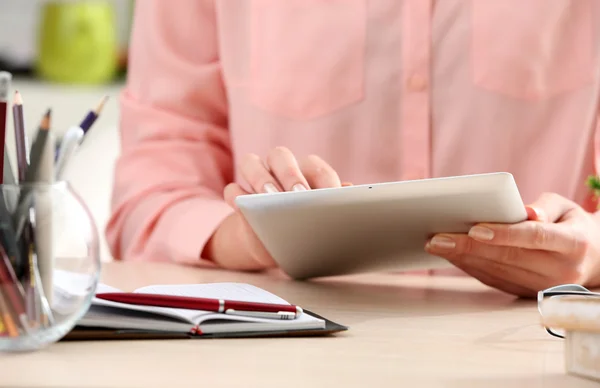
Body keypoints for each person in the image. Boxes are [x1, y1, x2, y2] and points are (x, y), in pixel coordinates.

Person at [106, 0, 600, 298]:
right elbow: (150, 191)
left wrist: (591, 256)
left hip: (540, 352)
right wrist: (249, 238)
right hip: (280, 358)